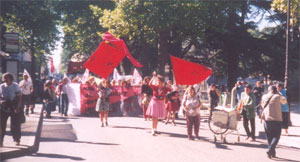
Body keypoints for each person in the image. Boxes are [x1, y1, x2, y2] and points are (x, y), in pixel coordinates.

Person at [261, 86, 285, 158]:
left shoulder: (264, 96)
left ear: (268, 90)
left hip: (267, 119)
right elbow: (284, 101)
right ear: (275, 90)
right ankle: (270, 149)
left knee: (269, 137)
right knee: (276, 136)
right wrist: (279, 94)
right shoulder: (278, 96)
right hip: (277, 119)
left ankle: (272, 153)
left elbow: (262, 105)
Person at [0, 73, 22, 147]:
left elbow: (19, 97)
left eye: (7, 78)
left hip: (14, 106)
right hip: (4, 107)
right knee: (2, 125)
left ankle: (17, 139)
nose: (6, 80)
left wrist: (18, 107)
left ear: (11, 79)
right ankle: (1, 141)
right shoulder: (2, 86)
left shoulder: (15, 86)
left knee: (15, 124)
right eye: (4, 78)